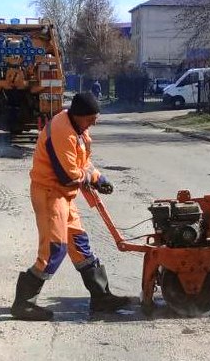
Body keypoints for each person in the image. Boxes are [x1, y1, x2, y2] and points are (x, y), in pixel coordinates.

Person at [11, 91, 129, 321]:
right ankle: (23, 304)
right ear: (79, 115)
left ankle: (101, 298)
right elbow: (68, 175)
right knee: (54, 250)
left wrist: (98, 177)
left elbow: (82, 164)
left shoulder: (79, 129)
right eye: (92, 118)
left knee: (80, 245)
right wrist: (88, 177)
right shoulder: (62, 131)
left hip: (63, 196)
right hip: (50, 194)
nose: (95, 122)